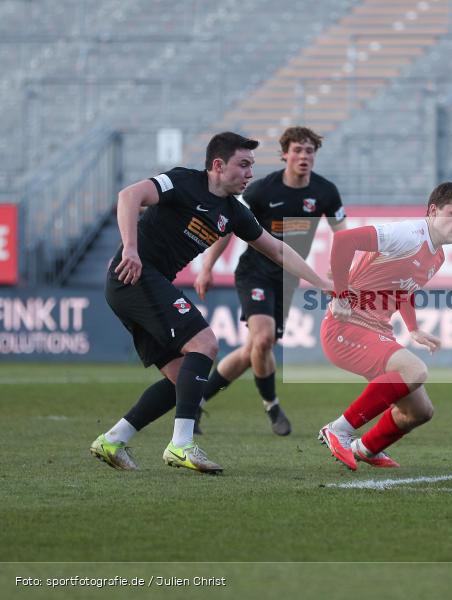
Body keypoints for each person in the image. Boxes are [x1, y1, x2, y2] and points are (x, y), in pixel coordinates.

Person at [89, 132, 332, 474]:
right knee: (205, 343)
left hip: (140, 284)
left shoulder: (234, 212)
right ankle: (181, 445)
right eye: (243, 165)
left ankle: (113, 439)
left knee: (182, 382)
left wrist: (321, 282)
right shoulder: (183, 181)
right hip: (135, 276)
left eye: (252, 166)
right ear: (218, 165)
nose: (250, 173)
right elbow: (129, 195)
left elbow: (276, 249)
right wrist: (130, 248)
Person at [193, 126, 346, 436]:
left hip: (287, 279)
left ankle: (195, 400)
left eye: (309, 151)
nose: (304, 156)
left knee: (254, 349)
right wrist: (207, 266)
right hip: (255, 272)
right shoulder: (262, 191)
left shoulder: (326, 192)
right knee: (262, 341)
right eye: (298, 150)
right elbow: (228, 228)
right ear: (285, 154)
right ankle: (272, 406)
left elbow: (342, 233)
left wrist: (338, 266)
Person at [317, 182, 452, 470]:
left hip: (376, 330)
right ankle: (339, 430)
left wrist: (414, 328)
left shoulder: (438, 254)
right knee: (414, 370)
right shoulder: (407, 234)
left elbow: (402, 289)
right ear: (433, 210)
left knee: (419, 411)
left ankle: (366, 448)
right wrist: (341, 295)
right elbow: (344, 241)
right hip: (346, 327)